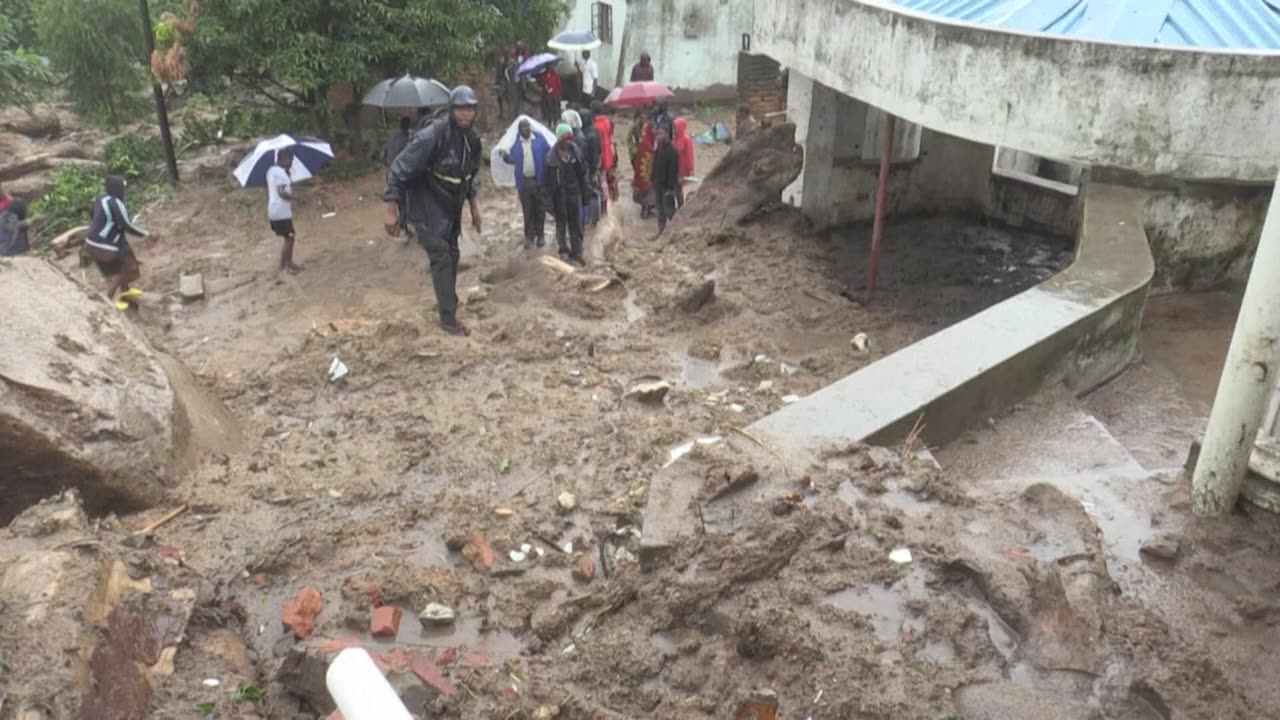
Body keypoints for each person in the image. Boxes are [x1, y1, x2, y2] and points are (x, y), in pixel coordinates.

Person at [384, 85, 483, 337]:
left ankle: (447, 303)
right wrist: (391, 208)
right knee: (440, 256)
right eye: (460, 109)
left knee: (452, 254)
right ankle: (448, 319)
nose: (465, 114)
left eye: (470, 109)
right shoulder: (432, 135)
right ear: (451, 110)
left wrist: (474, 207)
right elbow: (398, 168)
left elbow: (469, 176)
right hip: (426, 205)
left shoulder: (471, 140)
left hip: (451, 207)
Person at [85, 176, 149, 308]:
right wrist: (147, 234)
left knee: (118, 264)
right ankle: (106, 305)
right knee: (120, 272)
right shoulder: (116, 202)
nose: (124, 191)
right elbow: (127, 225)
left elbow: (92, 215)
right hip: (104, 245)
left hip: (90, 242)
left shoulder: (100, 197)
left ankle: (125, 291)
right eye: (123, 188)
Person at [500, 118, 549, 249]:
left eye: (527, 127)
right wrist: (504, 157)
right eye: (522, 128)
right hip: (524, 182)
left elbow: (548, 154)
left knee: (540, 210)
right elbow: (513, 160)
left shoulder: (539, 140)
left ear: (530, 128)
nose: (525, 130)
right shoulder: (515, 144)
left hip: (538, 180)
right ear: (519, 130)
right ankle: (529, 237)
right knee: (527, 210)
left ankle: (541, 236)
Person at [265, 148, 302, 274]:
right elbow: (281, 192)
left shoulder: (271, 171)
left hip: (276, 210)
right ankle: (284, 266)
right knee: (289, 238)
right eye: (290, 160)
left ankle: (288, 263)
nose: (291, 163)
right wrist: (295, 198)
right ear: (284, 158)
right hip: (281, 212)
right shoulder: (280, 173)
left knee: (290, 236)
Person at [651, 126, 681, 234]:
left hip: (667, 187)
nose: (658, 136)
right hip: (658, 184)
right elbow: (654, 165)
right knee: (660, 211)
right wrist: (652, 179)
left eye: (661, 134)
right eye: (657, 134)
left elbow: (673, 172)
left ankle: (674, 233)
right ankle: (660, 232)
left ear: (667, 135)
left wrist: (670, 188)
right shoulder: (659, 148)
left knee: (669, 211)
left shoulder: (673, 151)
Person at [591, 101, 619, 204]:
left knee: (601, 179)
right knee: (606, 177)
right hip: (608, 153)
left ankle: (605, 200)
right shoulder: (606, 122)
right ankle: (610, 198)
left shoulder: (595, 125)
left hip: (601, 154)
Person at [579, 108, 603, 225]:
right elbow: (600, 149)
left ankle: (591, 218)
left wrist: (593, 170)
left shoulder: (590, 134)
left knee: (591, 191)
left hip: (589, 167)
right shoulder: (594, 131)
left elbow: (595, 153)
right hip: (589, 166)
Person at [632, 121, 656, 218]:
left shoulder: (645, 141)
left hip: (641, 171)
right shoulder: (647, 144)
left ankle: (646, 208)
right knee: (647, 190)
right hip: (646, 172)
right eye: (653, 129)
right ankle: (646, 208)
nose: (655, 131)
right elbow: (648, 159)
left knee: (644, 190)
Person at [672, 116, 695, 208]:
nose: (674, 129)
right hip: (674, 167)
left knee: (678, 188)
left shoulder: (686, 140)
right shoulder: (674, 139)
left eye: (675, 127)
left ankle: (681, 206)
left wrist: (690, 169)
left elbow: (690, 155)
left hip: (682, 168)